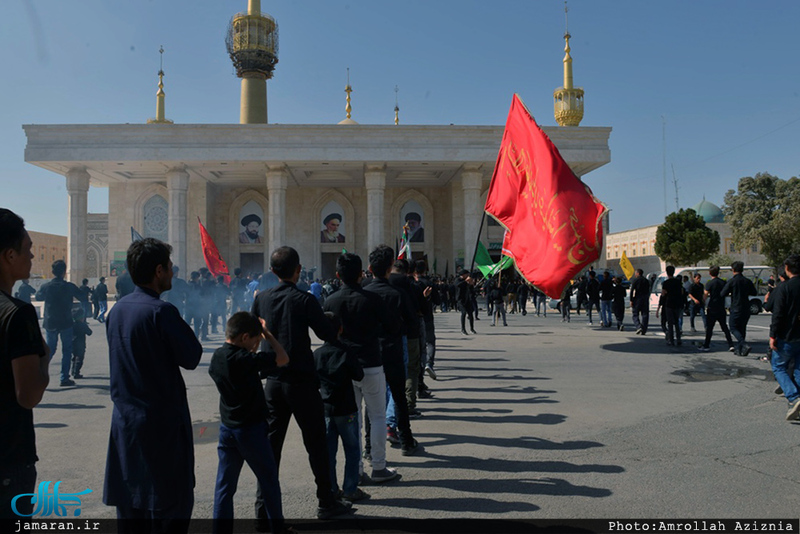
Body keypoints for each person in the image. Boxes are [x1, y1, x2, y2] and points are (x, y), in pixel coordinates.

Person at [104, 238, 203, 533]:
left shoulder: (118, 310)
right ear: (159, 271)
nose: (173, 272)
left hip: (126, 430)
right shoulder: (161, 312)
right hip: (162, 434)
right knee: (169, 511)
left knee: (132, 513)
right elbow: (192, 356)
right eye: (170, 267)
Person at [251, 246, 351, 521]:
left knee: (271, 449)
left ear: (272, 271)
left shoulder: (262, 299)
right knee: (316, 444)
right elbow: (326, 332)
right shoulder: (304, 299)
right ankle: (326, 501)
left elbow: (252, 332)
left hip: (273, 381)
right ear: (298, 270)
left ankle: (263, 510)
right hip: (302, 382)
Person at [208, 312, 290, 534]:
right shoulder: (245, 360)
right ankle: (277, 528)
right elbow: (282, 358)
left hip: (228, 428)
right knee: (269, 481)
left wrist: (256, 341)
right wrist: (268, 334)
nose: (257, 344)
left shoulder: (217, 357)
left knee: (225, 486)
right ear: (245, 337)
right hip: (251, 430)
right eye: (255, 339)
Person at [325, 253, 402, 481]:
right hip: (370, 363)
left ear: (337, 275)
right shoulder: (372, 299)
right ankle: (378, 466)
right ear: (362, 274)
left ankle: (356, 470)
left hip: (343, 366)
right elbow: (392, 327)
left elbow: (326, 333)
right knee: (377, 416)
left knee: (353, 419)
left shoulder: (331, 301)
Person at [0, 209, 49, 519]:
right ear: (9, 255)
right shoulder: (18, 314)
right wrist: (45, 359)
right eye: (27, 249)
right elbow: (28, 395)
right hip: (8, 459)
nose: (32, 256)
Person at [364, 245, 419, 457]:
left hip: (371, 355)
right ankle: (406, 441)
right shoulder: (397, 293)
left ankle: (369, 448)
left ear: (370, 268)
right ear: (389, 269)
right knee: (398, 398)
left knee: (371, 403)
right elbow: (411, 321)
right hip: (394, 352)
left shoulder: (365, 293)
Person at [314, 311, 367, 502]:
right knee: (352, 450)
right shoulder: (346, 351)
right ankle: (350, 488)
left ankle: (332, 488)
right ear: (341, 329)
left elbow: (313, 382)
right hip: (346, 407)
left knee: (329, 453)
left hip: (326, 407)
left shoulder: (317, 354)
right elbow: (359, 375)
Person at [36, 259, 83, 386]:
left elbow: (38, 296)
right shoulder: (69, 286)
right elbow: (82, 296)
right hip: (65, 322)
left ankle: (38, 375)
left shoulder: (46, 287)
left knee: (50, 350)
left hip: (51, 321)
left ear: (52, 272)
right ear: (64, 272)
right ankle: (64, 378)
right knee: (67, 350)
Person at [768, 255, 800, 420]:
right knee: (799, 368)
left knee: (779, 367)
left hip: (787, 335)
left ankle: (794, 397)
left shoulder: (784, 287)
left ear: (787, 268)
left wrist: (773, 335)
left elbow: (778, 314)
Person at [721, 261, 757, 356]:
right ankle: (741, 349)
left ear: (733, 270)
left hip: (736, 307)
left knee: (733, 327)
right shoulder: (747, 281)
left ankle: (744, 344)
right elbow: (754, 292)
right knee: (742, 328)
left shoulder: (732, 281)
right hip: (746, 307)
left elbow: (722, 293)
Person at [698, 265, 734, 353]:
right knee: (724, 327)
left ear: (710, 273)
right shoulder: (723, 282)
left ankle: (706, 344)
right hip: (721, 306)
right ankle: (731, 344)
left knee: (710, 327)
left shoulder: (709, 283)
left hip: (712, 307)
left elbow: (705, 295)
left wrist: (702, 302)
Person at [661, 265, 684, 346]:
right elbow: (681, 292)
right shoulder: (678, 282)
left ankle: (671, 339)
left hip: (669, 303)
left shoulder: (666, 283)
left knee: (670, 323)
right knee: (677, 322)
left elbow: (663, 294)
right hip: (677, 303)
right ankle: (678, 339)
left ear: (667, 273)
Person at [70, 307, 92, 379]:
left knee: (74, 357)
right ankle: (76, 372)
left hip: (72, 343)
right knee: (79, 358)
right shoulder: (82, 325)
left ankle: (73, 371)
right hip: (81, 344)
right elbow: (89, 332)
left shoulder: (72, 325)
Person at [629, 269, 651, 335]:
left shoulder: (635, 280)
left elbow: (632, 290)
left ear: (638, 273)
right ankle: (644, 329)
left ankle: (638, 326)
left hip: (637, 298)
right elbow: (649, 290)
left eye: (635, 273)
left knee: (635, 314)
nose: (635, 274)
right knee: (645, 314)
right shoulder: (647, 281)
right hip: (645, 298)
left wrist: (631, 300)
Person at [456, 269, 475, 335]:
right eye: (467, 274)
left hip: (467, 299)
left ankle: (472, 328)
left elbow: (471, 290)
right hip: (460, 300)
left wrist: (471, 284)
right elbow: (458, 285)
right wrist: (466, 281)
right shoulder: (458, 280)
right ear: (463, 275)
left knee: (471, 314)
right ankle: (463, 329)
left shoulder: (467, 281)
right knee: (463, 313)